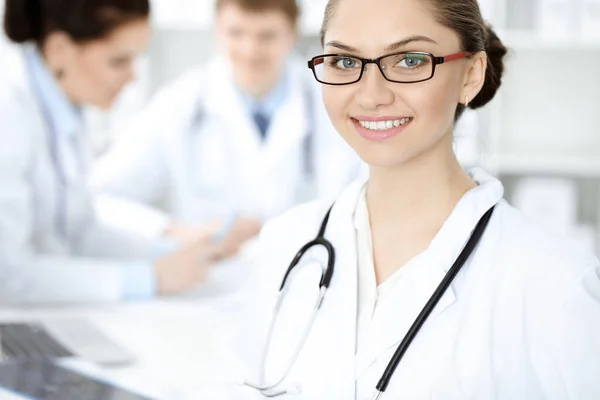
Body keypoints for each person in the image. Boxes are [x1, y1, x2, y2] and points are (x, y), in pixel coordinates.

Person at [230, 0, 600, 398]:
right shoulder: (285, 244)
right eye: (344, 62)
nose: (370, 96)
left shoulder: (556, 283)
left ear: (470, 75)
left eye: (409, 61)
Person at [89, 0, 363, 252]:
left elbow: (369, 198)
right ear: (217, 31)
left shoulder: (333, 101)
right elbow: (98, 198)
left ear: (292, 34)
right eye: (236, 33)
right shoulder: (179, 105)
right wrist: (174, 232)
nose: (250, 50)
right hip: (211, 288)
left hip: (313, 280)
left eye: (266, 36)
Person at [0, 0, 223, 305]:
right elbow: (9, 277)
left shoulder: (65, 110)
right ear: (59, 49)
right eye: (119, 61)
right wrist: (150, 277)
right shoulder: (8, 113)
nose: (132, 77)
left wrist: (170, 252)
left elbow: (81, 232)